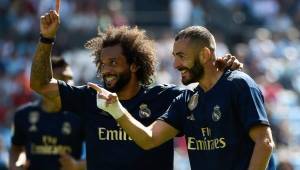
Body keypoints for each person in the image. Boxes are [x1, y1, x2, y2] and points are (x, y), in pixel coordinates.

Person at [29, 2, 242, 169]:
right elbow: (40, 84)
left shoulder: (167, 98)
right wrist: (46, 39)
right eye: (102, 64)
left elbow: (208, 93)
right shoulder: (91, 97)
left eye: (113, 63)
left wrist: (220, 69)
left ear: (133, 65)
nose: (106, 70)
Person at [91, 26, 276, 170]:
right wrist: (117, 110)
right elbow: (149, 139)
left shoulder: (238, 84)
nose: (175, 64)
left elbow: (265, 142)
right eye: (174, 56)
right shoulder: (186, 101)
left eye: (181, 56)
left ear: (204, 55)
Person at [10, 57, 86, 170]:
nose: (69, 84)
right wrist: (17, 164)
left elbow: (100, 155)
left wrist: (77, 165)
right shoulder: (23, 115)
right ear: (46, 84)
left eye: (70, 79)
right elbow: (16, 149)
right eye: (62, 79)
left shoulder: (81, 115)